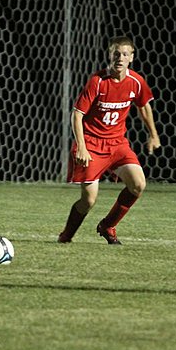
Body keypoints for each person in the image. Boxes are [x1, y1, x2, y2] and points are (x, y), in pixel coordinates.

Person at [58, 36, 161, 245]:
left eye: (125, 54)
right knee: (88, 200)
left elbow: (143, 106)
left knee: (138, 184)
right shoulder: (97, 81)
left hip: (117, 145)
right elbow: (77, 115)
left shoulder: (136, 81)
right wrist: (82, 148)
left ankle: (108, 226)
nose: (120, 58)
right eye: (116, 54)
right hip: (92, 144)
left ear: (131, 57)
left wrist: (153, 134)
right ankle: (66, 236)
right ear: (109, 55)